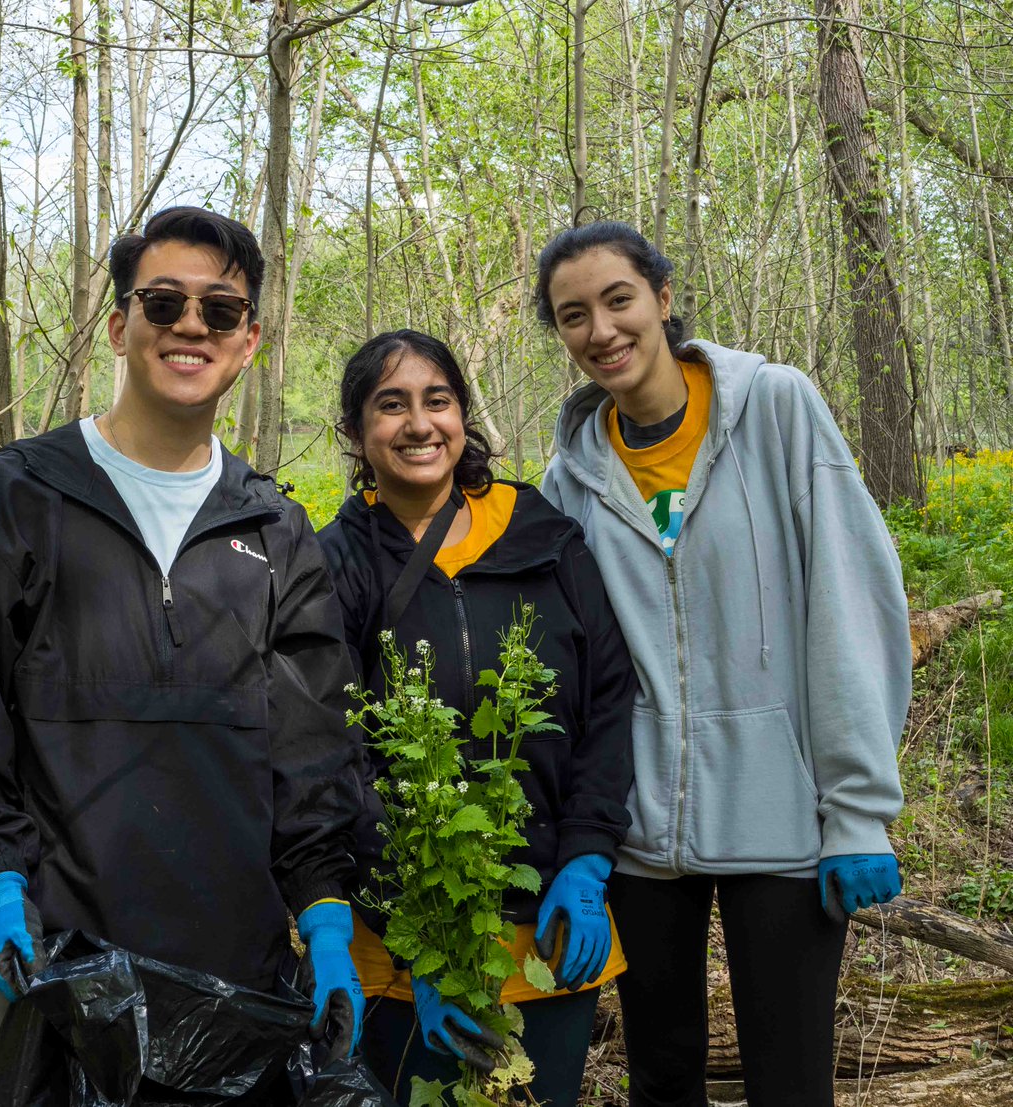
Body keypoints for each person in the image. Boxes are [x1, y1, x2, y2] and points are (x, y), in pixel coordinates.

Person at [0, 206, 365, 1107]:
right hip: (26, 944)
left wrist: (328, 915)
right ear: (120, 326)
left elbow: (312, 751)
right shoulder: (16, 496)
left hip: (218, 969)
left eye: (220, 310)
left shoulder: (274, 530)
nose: (192, 325)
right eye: (163, 302)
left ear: (250, 340)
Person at [534, 220, 910, 1107]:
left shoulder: (775, 406)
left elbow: (850, 601)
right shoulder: (570, 477)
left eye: (619, 300)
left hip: (782, 818)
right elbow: (573, 668)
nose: (601, 331)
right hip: (638, 831)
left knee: (790, 1080)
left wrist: (859, 807)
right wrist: (577, 843)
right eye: (573, 315)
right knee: (662, 1076)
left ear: (663, 299)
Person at [316, 329, 638, 1106]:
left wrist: (589, 859)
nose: (420, 424)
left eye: (438, 400)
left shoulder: (542, 535)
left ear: (464, 416)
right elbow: (332, 755)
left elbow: (609, 698)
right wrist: (421, 946)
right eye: (390, 405)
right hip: (400, 948)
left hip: (553, 927)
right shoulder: (335, 561)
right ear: (356, 433)